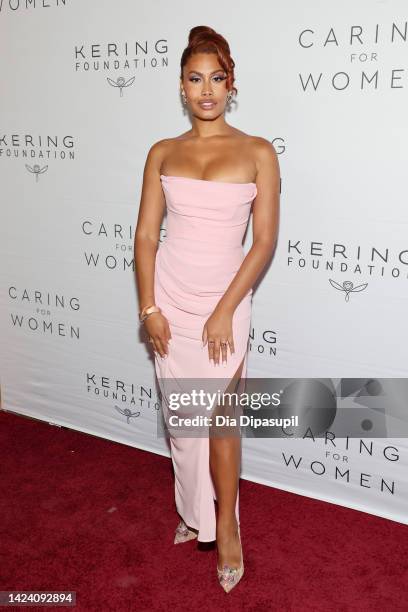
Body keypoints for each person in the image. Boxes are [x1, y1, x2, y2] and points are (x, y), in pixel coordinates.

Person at [134, 25, 280, 592]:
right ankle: (193, 510)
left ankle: (226, 525)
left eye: (217, 78)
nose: (207, 90)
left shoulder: (257, 152)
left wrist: (225, 309)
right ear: (181, 86)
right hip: (170, 295)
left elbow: (263, 241)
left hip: (227, 300)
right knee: (183, 424)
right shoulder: (163, 152)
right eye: (196, 79)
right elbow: (146, 236)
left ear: (231, 84)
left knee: (221, 418)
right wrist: (149, 308)